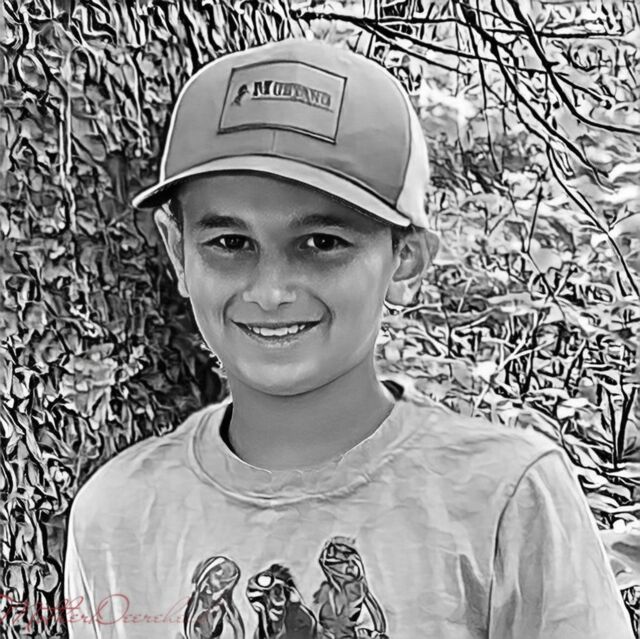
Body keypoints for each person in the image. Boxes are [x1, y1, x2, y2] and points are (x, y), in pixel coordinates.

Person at [63, 38, 634, 639]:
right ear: (178, 250)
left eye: (322, 243)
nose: (271, 291)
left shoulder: (504, 498)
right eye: (230, 243)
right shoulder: (118, 515)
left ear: (405, 258)